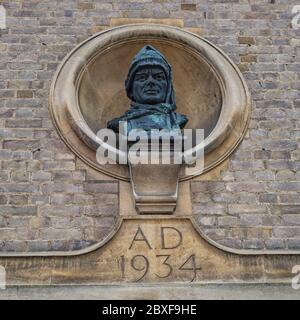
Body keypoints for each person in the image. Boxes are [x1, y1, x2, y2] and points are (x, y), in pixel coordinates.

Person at [107, 45, 188, 134]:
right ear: (131, 89)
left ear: (168, 88)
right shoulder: (119, 123)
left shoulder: (178, 120)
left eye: (158, 77)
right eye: (142, 77)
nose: (150, 81)